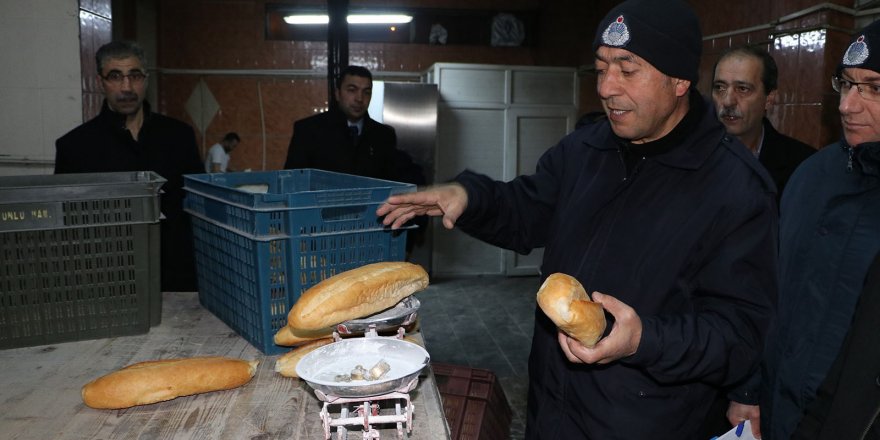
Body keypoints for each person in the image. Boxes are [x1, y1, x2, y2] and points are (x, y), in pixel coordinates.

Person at [377, 1, 778, 438]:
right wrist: (469, 197)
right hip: (554, 409)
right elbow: (527, 209)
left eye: (628, 70)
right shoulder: (586, 149)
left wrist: (643, 339)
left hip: (646, 421)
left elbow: (740, 334)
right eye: (601, 68)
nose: (607, 87)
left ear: (679, 79)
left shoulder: (735, 188)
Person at [726, 20, 880, 440]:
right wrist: (747, 390)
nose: (848, 106)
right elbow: (766, 290)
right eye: (846, 84)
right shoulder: (812, 175)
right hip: (776, 413)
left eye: (873, 88)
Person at [55, 40, 203, 292]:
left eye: (134, 76)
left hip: (177, 278)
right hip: (107, 282)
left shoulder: (179, 136)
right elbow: (67, 228)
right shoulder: (75, 147)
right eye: (115, 76)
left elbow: (200, 207)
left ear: (145, 79)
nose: (126, 87)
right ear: (101, 82)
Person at [711, 45, 815, 199]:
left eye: (743, 89)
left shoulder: (803, 166)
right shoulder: (688, 155)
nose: (727, 101)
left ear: (769, 99)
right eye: (720, 87)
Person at [283, 65, 398, 180]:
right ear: (338, 94)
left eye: (366, 92)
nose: (359, 98)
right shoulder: (309, 131)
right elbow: (292, 182)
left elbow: (394, 182)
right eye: (352, 90)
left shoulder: (383, 135)